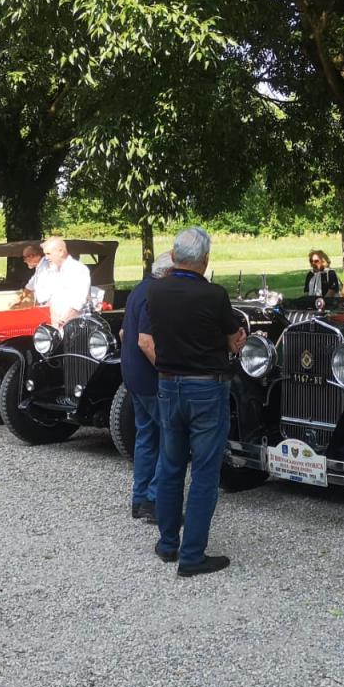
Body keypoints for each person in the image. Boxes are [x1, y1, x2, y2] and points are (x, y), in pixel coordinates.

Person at [144, 227, 246, 577]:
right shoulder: (214, 295)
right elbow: (235, 339)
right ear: (205, 260)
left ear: (173, 256)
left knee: (170, 465)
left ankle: (168, 542)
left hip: (168, 385)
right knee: (204, 471)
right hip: (206, 388)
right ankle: (192, 555)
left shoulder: (154, 292)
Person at [120, 252, 174, 523]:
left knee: (146, 437)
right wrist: (167, 369)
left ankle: (139, 498)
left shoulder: (138, 289)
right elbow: (145, 341)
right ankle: (154, 500)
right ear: (168, 273)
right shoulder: (157, 294)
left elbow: (123, 333)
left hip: (132, 375)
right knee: (169, 439)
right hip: (152, 379)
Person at [31, 236, 92, 328]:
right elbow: (51, 298)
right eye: (45, 254)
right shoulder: (52, 271)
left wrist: (63, 321)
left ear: (61, 252)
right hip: (56, 323)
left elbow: (78, 302)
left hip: (76, 325)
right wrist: (54, 317)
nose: (46, 258)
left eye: (49, 254)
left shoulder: (78, 269)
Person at [10, 243, 45, 309]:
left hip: (49, 306)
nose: (24, 261)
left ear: (31, 256)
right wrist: (20, 298)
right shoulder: (40, 267)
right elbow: (31, 285)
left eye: (24, 257)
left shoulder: (46, 266)